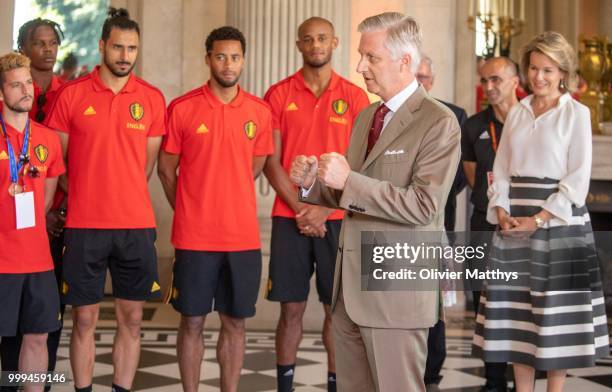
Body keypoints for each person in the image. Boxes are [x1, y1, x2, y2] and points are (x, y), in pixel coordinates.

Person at [290, 12, 460, 391]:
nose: (360, 66)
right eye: (361, 56)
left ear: (404, 62)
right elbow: (351, 197)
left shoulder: (438, 122)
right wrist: (311, 185)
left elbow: (422, 205)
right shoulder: (368, 115)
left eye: (372, 57)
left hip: (394, 296)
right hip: (349, 293)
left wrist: (349, 180)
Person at [473, 31, 609, 392]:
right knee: (519, 318)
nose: (539, 77)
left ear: (562, 72)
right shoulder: (517, 111)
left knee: (554, 317)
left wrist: (538, 219)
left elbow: (577, 180)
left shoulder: (577, 114)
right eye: (534, 68)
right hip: (514, 221)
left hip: (558, 223)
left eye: (548, 70)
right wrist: (502, 210)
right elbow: (500, 170)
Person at [45, 8, 166, 392]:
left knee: (131, 320)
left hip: (135, 226)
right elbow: (58, 164)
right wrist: (87, 190)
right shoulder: (71, 95)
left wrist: (119, 188)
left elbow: (145, 166)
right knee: (83, 321)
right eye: (117, 47)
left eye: (132, 48)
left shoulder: (151, 98)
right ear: (102, 46)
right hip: (84, 226)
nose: (125, 56)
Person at [157, 26, 273, 392]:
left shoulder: (260, 111)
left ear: (244, 60)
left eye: (235, 57)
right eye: (220, 56)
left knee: (235, 322)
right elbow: (165, 168)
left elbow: (254, 167)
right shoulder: (183, 108)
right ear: (207, 58)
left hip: (242, 239)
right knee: (191, 321)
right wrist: (191, 206)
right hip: (194, 238)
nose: (228, 64)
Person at [262, 17, 369, 392]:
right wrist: (302, 208)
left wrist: (324, 208)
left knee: (334, 311)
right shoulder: (277, 94)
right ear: (298, 44)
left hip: (337, 218)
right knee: (290, 310)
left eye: (322, 38)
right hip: (288, 217)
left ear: (335, 42)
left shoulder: (355, 97)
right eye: (308, 39)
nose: (316, 44)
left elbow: (360, 164)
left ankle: (335, 384)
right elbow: (270, 160)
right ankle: (285, 386)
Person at [0, 18, 67, 392]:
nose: (26, 91)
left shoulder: (47, 140)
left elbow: (44, 199)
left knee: (38, 338)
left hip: (38, 259)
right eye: (16, 85)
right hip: (1, 259)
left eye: (28, 83)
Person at [461, 56, 520, 392]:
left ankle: (524, 375)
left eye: (496, 79)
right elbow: (473, 179)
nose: (489, 87)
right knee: (486, 301)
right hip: (485, 224)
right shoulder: (473, 126)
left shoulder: (532, 119)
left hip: (523, 225)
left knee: (521, 302)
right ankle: (494, 380)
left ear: (515, 80)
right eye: (485, 80)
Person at [415, 55, 467, 391]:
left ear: (433, 79)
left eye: (425, 77)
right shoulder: (384, 114)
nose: (421, 82)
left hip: (437, 224)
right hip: (395, 226)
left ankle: (432, 375)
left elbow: (459, 176)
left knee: (434, 306)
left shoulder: (454, 115)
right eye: (415, 75)